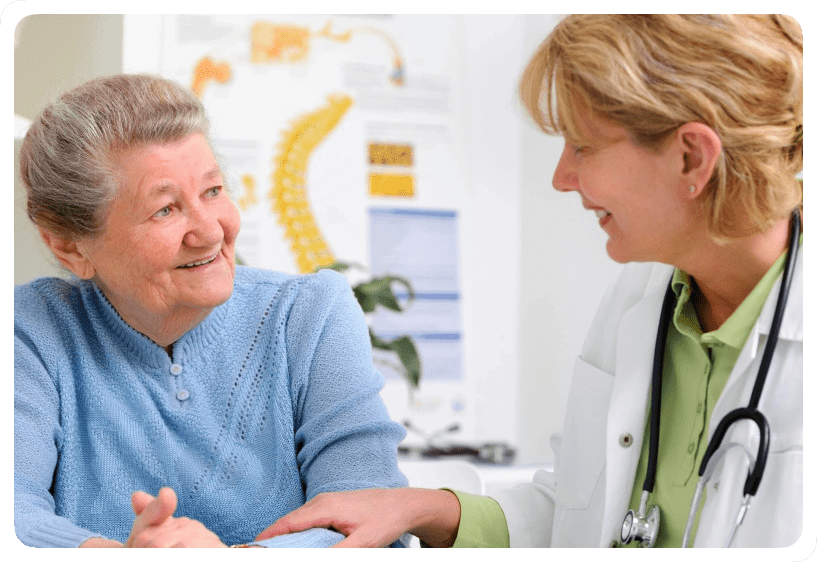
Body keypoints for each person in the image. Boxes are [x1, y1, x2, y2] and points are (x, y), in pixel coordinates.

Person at [252, 14, 803, 548]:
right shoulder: (645, 296)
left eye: (582, 147)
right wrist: (423, 508)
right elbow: (580, 514)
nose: (562, 178)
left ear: (691, 157)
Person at [14, 74, 409, 548]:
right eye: (165, 210)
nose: (210, 231)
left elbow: (368, 517)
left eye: (213, 191)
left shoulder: (310, 313)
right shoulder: (33, 331)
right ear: (68, 245)